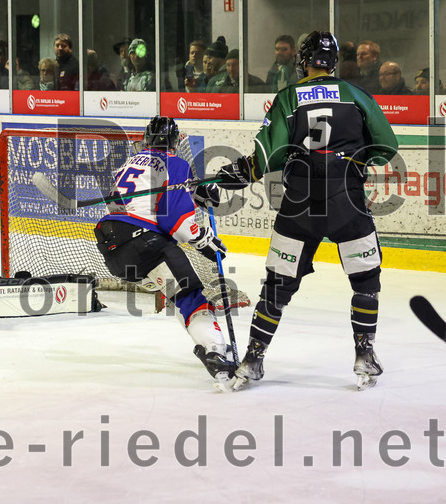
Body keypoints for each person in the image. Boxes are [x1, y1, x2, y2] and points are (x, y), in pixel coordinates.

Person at [215, 31, 399, 391]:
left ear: (303, 61)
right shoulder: (357, 95)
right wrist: (359, 163)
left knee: (278, 286)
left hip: (300, 203)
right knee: (365, 281)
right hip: (347, 199)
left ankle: (253, 359)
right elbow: (387, 147)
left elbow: (271, 156)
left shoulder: (287, 98)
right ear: (332, 63)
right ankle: (364, 355)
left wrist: (241, 173)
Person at [93, 116, 236, 381]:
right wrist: (201, 238)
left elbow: (125, 207)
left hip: (115, 249)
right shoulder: (176, 163)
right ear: (175, 141)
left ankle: (208, 344)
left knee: (179, 294)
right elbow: (172, 218)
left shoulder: (127, 165)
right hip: (146, 245)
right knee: (191, 298)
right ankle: (216, 352)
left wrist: (194, 193)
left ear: (147, 139)